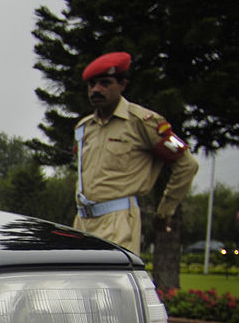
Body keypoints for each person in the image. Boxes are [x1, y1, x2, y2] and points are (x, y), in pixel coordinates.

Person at [73, 51, 198, 253]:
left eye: (105, 83)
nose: (96, 90)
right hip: (82, 221)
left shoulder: (142, 122)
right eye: (92, 84)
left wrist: (165, 211)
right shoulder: (84, 128)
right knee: (79, 282)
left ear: (122, 85)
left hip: (118, 220)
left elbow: (187, 165)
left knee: (112, 282)